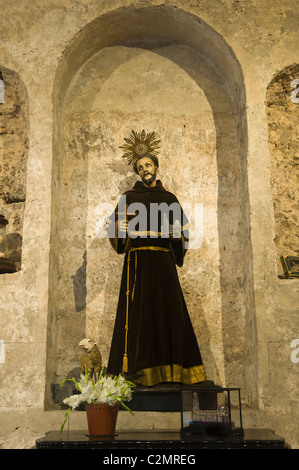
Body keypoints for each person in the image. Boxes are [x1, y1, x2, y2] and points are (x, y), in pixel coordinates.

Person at [106, 130, 206, 386]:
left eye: (148, 165)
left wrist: (176, 234)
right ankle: (138, 373)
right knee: (139, 316)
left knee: (167, 313)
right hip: (138, 264)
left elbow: (182, 233)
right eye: (140, 167)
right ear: (137, 172)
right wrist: (119, 230)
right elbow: (115, 230)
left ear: (157, 167)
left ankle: (172, 371)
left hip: (162, 264)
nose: (145, 170)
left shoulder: (169, 199)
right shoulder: (129, 198)